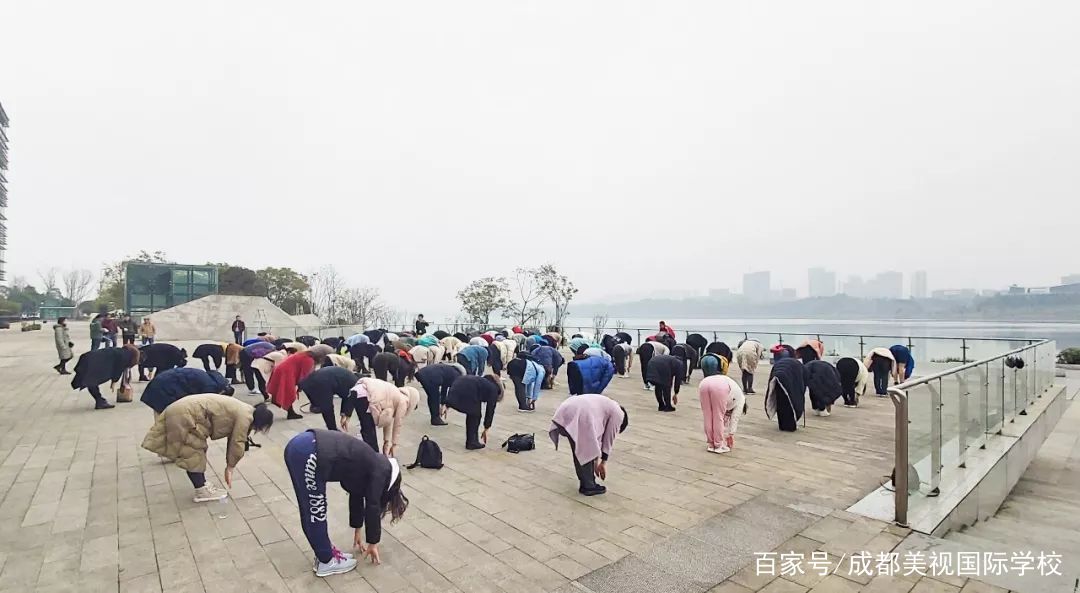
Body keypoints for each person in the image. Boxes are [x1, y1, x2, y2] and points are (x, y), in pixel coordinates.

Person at [283, 429, 408, 576]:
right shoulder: (380, 471)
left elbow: (356, 495)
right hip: (311, 454)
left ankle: (323, 553)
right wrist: (373, 543)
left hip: (303, 446)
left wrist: (357, 530)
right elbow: (372, 506)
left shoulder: (373, 463)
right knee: (315, 511)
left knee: (308, 508)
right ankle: (326, 561)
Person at [141, 393, 273, 502]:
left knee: (195, 449)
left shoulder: (246, 409)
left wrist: (230, 465)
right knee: (193, 452)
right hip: (186, 415)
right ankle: (201, 491)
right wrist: (230, 468)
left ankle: (202, 484)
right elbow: (237, 442)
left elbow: (234, 439)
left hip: (183, 410)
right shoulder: (245, 417)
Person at [549, 394, 629, 496]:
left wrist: (595, 464)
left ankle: (585, 481)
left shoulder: (606, 406)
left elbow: (597, 441)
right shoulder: (618, 413)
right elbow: (609, 437)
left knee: (579, 449)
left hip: (565, 410)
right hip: (580, 412)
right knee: (586, 449)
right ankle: (589, 486)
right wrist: (603, 462)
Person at [340, 377, 419, 457]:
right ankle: (373, 457)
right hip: (366, 395)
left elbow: (388, 422)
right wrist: (394, 444)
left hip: (359, 391)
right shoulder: (404, 401)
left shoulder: (394, 395)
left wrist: (386, 442)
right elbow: (397, 424)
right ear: (413, 401)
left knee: (367, 429)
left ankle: (371, 455)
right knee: (369, 431)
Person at [267, 344, 333, 419]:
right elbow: (305, 377)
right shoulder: (308, 360)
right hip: (285, 372)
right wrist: (302, 386)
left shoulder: (305, 355)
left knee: (286, 391)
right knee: (289, 393)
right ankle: (291, 413)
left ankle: (289, 410)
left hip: (282, 369)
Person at [140, 367, 233, 415]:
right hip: (163, 389)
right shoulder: (210, 387)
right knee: (168, 420)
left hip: (161, 383)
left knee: (168, 419)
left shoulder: (213, 380)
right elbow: (201, 407)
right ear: (222, 393)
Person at [71, 345, 140, 409]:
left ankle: (100, 400)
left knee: (91, 381)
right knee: (91, 381)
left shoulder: (122, 351)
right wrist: (114, 381)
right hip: (92, 361)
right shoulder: (125, 357)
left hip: (89, 357)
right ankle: (100, 401)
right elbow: (118, 369)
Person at [444, 374, 503, 449]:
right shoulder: (494, 389)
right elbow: (490, 410)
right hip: (468, 391)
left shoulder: (483, 382)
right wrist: (487, 427)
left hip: (457, 385)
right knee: (475, 415)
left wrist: (448, 404)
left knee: (473, 413)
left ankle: (472, 441)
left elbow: (458, 386)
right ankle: (472, 442)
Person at [298, 365, 360, 431]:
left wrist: (345, 415)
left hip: (313, 379)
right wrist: (345, 416)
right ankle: (332, 429)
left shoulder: (353, 380)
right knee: (327, 407)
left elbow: (348, 398)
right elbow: (349, 399)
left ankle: (317, 405)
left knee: (323, 404)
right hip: (323, 382)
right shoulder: (356, 386)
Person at [698, 374, 746, 453]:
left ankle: (711, 444)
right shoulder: (741, 400)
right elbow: (734, 418)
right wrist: (731, 434)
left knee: (707, 416)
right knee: (718, 416)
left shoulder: (736, 394)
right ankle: (718, 445)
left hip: (704, 383)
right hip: (720, 387)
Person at [766, 358, 806, 432]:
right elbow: (800, 387)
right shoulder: (800, 367)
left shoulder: (794, 364)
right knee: (791, 402)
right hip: (786, 377)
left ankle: (782, 425)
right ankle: (791, 426)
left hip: (777, 377)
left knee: (780, 401)